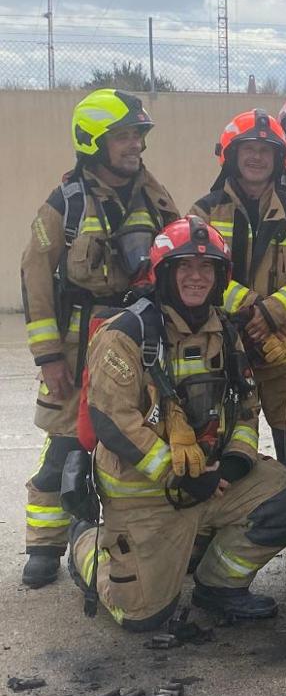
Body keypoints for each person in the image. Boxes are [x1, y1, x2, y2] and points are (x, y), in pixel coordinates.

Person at [67, 216, 286, 630]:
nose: (196, 277)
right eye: (185, 267)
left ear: (220, 276)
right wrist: (181, 476)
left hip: (208, 478)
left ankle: (218, 585)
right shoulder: (126, 334)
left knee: (282, 497)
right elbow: (113, 422)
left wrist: (233, 464)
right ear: (164, 273)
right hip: (145, 490)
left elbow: (245, 406)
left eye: (206, 268)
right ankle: (86, 544)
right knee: (142, 617)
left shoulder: (225, 332)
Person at [20, 88, 179, 588]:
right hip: (77, 344)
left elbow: (174, 257)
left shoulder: (154, 196)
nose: (136, 146)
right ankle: (44, 544)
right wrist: (49, 358)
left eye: (138, 136)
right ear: (93, 141)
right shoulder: (63, 204)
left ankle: (130, 535)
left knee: (136, 433)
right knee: (68, 442)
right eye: (125, 136)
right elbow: (36, 279)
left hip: (137, 340)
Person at [190, 109, 286, 483]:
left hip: (285, 351)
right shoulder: (204, 211)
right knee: (219, 430)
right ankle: (217, 519)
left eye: (266, 150)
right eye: (247, 148)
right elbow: (195, 270)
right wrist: (252, 309)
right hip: (222, 347)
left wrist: (274, 312)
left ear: (279, 159)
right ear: (230, 156)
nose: (256, 157)